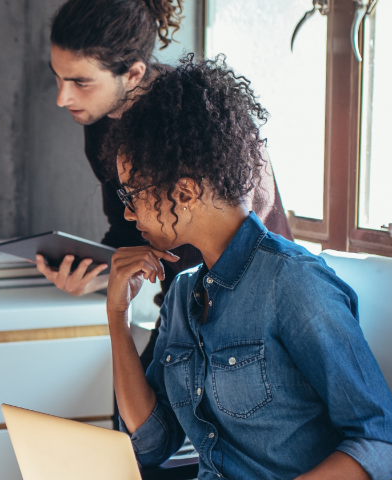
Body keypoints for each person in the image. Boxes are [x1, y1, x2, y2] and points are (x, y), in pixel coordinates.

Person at [19, 57, 392, 480]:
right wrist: (115, 317)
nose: (128, 212)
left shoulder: (293, 286)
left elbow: (380, 441)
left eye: (134, 193)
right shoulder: (181, 294)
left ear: (190, 186)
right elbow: (151, 442)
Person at [39, 0, 291, 331]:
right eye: (58, 77)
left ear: (133, 73)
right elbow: (128, 228)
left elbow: (232, 232)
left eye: (80, 82)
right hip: (181, 302)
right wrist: (99, 274)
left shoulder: (197, 116)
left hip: (250, 305)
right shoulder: (100, 122)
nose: (62, 98)